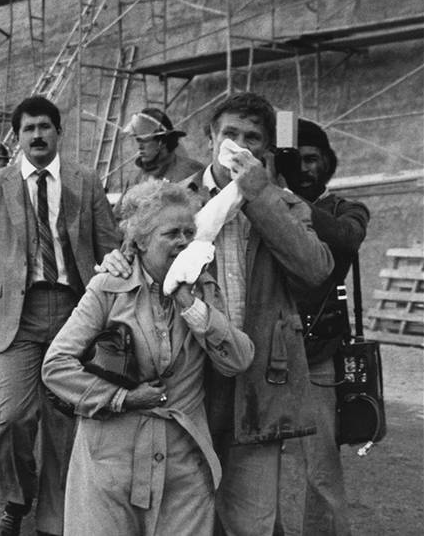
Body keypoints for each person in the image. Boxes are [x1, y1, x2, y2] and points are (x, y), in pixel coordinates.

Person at [100, 93, 333, 536]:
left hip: (260, 380)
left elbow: (315, 271)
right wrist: (116, 262)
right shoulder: (172, 200)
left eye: (252, 138)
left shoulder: (283, 203)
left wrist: (259, 195)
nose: (238, 144)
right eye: (230, 133)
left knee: (252, 522)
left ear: (264, 150)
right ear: (210, 139)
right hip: (186, 380)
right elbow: (131, 261)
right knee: (182, 518)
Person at [42, 180, 254, 535]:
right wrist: (122, 398)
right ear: (139, 241)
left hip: (183, 464)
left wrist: (191, 305)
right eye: (171, 233)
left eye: (190, 231)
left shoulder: (201, 287)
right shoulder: (108, 286)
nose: (184, 241)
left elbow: (237, 359)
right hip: (110, 461)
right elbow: (57, 367)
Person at [0, 95, 121, 536]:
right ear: (19, 136)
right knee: (13, 418)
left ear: (59, 133)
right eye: (28, 129)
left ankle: (54, 517)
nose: (38, 135)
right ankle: (15, 500)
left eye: (45, 127)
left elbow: (109, 248)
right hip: (18, 317)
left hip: (76, 314)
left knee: (66, 423)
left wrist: (121, 313)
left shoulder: (86, 181)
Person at [280, 119, 369, 536]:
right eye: (296, 160)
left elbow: (347, 240)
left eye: (313, 159)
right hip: (263, 351)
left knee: (321, 471)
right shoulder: (265, 205)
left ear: (328, 163)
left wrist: (295, 204)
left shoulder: (343, 210)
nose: (306, 168)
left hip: (318, 356)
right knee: (252, 467)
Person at [123, 107, 204, 186]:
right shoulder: (143, 175)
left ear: (162, 142)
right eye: (138, 140)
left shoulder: (191, 173)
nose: (140, 147)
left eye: (145, 140)